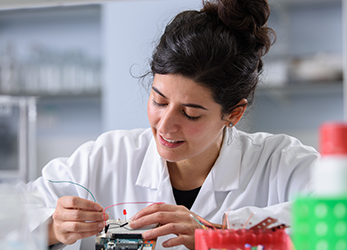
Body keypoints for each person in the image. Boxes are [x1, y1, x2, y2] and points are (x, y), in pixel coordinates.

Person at [27, 0, 319, 249]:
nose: (165, 126)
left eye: (190, 113)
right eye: (159, 101)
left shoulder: (281, 163)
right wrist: (52, 227)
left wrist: (217, 236)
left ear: (234, 113)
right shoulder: (106, 157)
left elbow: (344, 227)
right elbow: (3, 219)